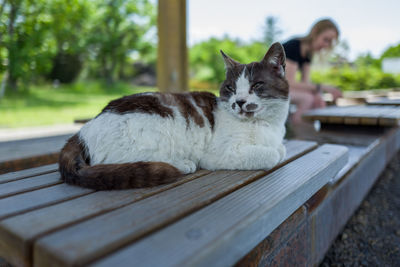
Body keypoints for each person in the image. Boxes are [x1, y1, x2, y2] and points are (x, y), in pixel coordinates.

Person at [282, 18, 342, 124]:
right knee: (307, 98)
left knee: (316, 98)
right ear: (315, 32)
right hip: (266, 88)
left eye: (330, 42)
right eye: (325, 39)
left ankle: (307, 133)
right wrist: (323, 87)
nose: (326, 45)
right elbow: (289, 83)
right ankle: (296, 133)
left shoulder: (308, 53)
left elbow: (306, 83)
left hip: (281, 88)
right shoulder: (294, 46)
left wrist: (318, 93)